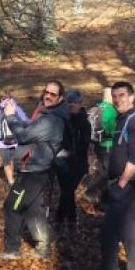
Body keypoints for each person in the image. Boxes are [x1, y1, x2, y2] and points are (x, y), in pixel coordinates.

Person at [0, 80, 69, 259]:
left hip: (33, 172)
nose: (48, 96)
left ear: (60, 98)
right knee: (34, 210)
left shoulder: (52, 120)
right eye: (46, 92)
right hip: (33, 168)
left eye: (53, 94)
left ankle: (11, 250)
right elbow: (28, 129)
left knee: (12, 207)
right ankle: (44, 248)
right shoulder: (46, 114)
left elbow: (22, 136)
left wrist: (11, 116)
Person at [97, 81, 135, 270]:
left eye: (122, 95)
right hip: (125, 182)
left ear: (132, 96)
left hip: (128, 184)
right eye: (115, 96)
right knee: (129, 231)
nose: (118, 99)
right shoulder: (123, 119)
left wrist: (120, 185)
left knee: (109, 232)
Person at [56, 90, 91, 234]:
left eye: (75, 102)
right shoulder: (62, 119)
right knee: (67, 193)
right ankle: (71, 221)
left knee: (67, 191)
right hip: (61, 162)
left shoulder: (84, 122)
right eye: (69, 102)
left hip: (78, 164)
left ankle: (58, 220)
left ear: (80, 104)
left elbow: (84, 145)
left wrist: (69, 151)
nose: (72, 105)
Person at [81, 87, 117, 208]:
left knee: (102, 170)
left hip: (96, 144)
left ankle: (102, 201)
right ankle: (92, 193)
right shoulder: (111, 111)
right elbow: (113, 130)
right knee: (107, 173)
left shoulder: (96, 108)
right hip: (108, 144)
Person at [0, 93, 28, 191]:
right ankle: (18, 182)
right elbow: (25, 120)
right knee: (16, 161)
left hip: (2, 142)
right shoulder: (16, 107)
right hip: (16, 140)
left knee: (7, 162)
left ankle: (11, 182)